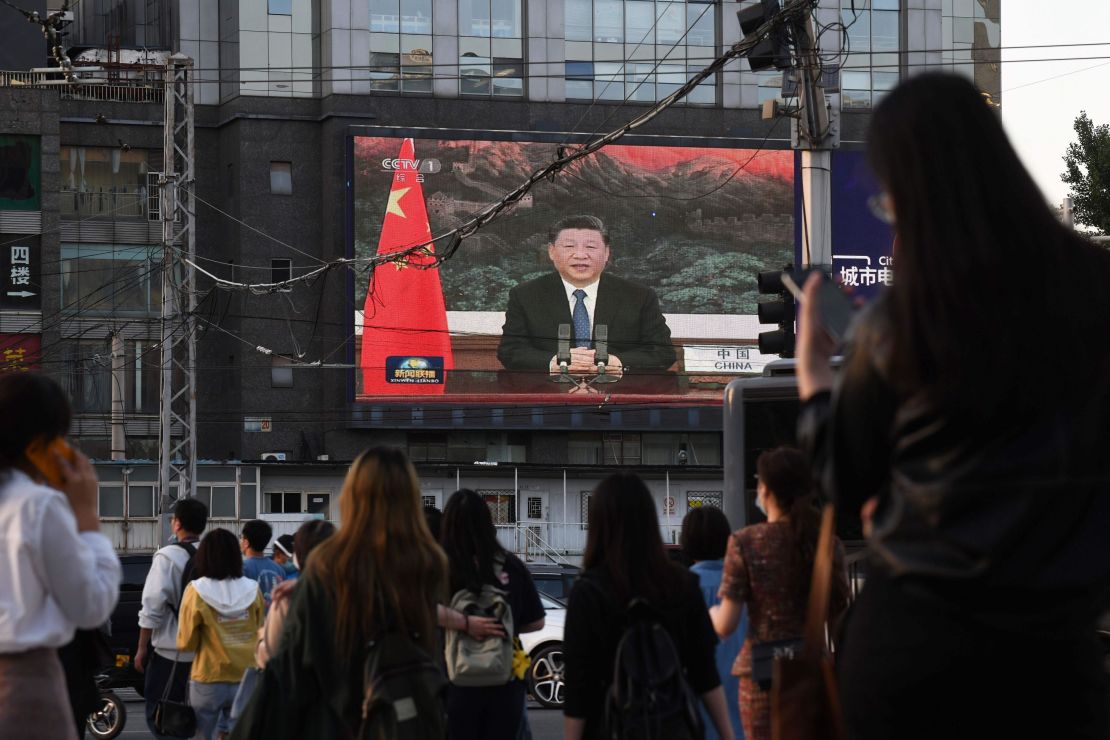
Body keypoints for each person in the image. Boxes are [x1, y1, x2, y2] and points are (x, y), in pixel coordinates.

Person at [795, 72, 1110, 740]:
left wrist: (814, 373)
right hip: (1057, 660)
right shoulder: (1097, 289)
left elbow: (845, 479)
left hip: (914, 653)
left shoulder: (903, 321)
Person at [228, 447, 447, 739]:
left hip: (333, 718)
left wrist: (307, 586)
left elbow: (294, 662)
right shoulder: (428, 564)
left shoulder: (329, 564)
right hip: (401, 717)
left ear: (351, 497)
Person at [563, 472, 733, 740]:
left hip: (610, 728)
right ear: (649, 521)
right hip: (673, 727)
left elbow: (578, 687)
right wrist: (727, 735)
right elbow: (705, 674)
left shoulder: (587, 592)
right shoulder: (683, 584)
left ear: (598, 524)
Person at [0, 373, 121, 740]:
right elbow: (91, 605)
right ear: (43, 442)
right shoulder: (37, 506)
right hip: (25, 683)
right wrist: (86, 514)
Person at [709, 447, 849, 740]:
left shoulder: (745, 542)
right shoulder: (828, 545)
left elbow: (726, 625)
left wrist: (711, 613)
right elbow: (839, 623)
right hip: (813, 672)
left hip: (760, 676)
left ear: (766, 489)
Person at [497, 214, 676, 375]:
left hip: (617, 396)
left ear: (606, 253)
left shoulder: (639, 296)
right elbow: (510, 351)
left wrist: (617, 363)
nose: (580, 255)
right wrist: (553, 362)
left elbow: (662, 352)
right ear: (551, 252)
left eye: (591, 246)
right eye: (569, 246)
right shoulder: (526, 295)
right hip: (551, 396)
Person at [439, 489, 546, 740]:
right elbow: (537, 622)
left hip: (452, 683)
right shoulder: (511, 565)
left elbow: (415, 608)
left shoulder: (439, 566)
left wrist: (463, 623)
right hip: (503, 683)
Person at [177, 528, 265, 740]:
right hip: (246, 678)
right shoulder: (253, 589)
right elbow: (261, 633)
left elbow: (185, 642)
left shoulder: (196, 590)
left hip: (208, 677)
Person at [136, 497, 208, 739]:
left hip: (171, 653)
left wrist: (141, 648)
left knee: (162, 719)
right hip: (209, 653)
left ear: (176, 524)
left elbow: (152, 607)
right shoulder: (214, 555)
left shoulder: (166, 557)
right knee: (201, 721)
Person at [681, 506, 745, 740]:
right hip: (744, 715)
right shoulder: (745, 590)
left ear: (685, 542)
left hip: (694, 719)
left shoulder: (680, 590)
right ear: (727, 540)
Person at [253, 519, 336, 668]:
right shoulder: (354, 594)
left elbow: (268, 655)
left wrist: (261, 636)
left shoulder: (288, 598)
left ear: (298, 555)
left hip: (300, 684)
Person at [239, 519, 285, 608]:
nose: (240, 541)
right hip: (275, 619)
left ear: (246, 542)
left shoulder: (241, 568)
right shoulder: (279, 569)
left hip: (254, 620)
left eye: (241, 537)